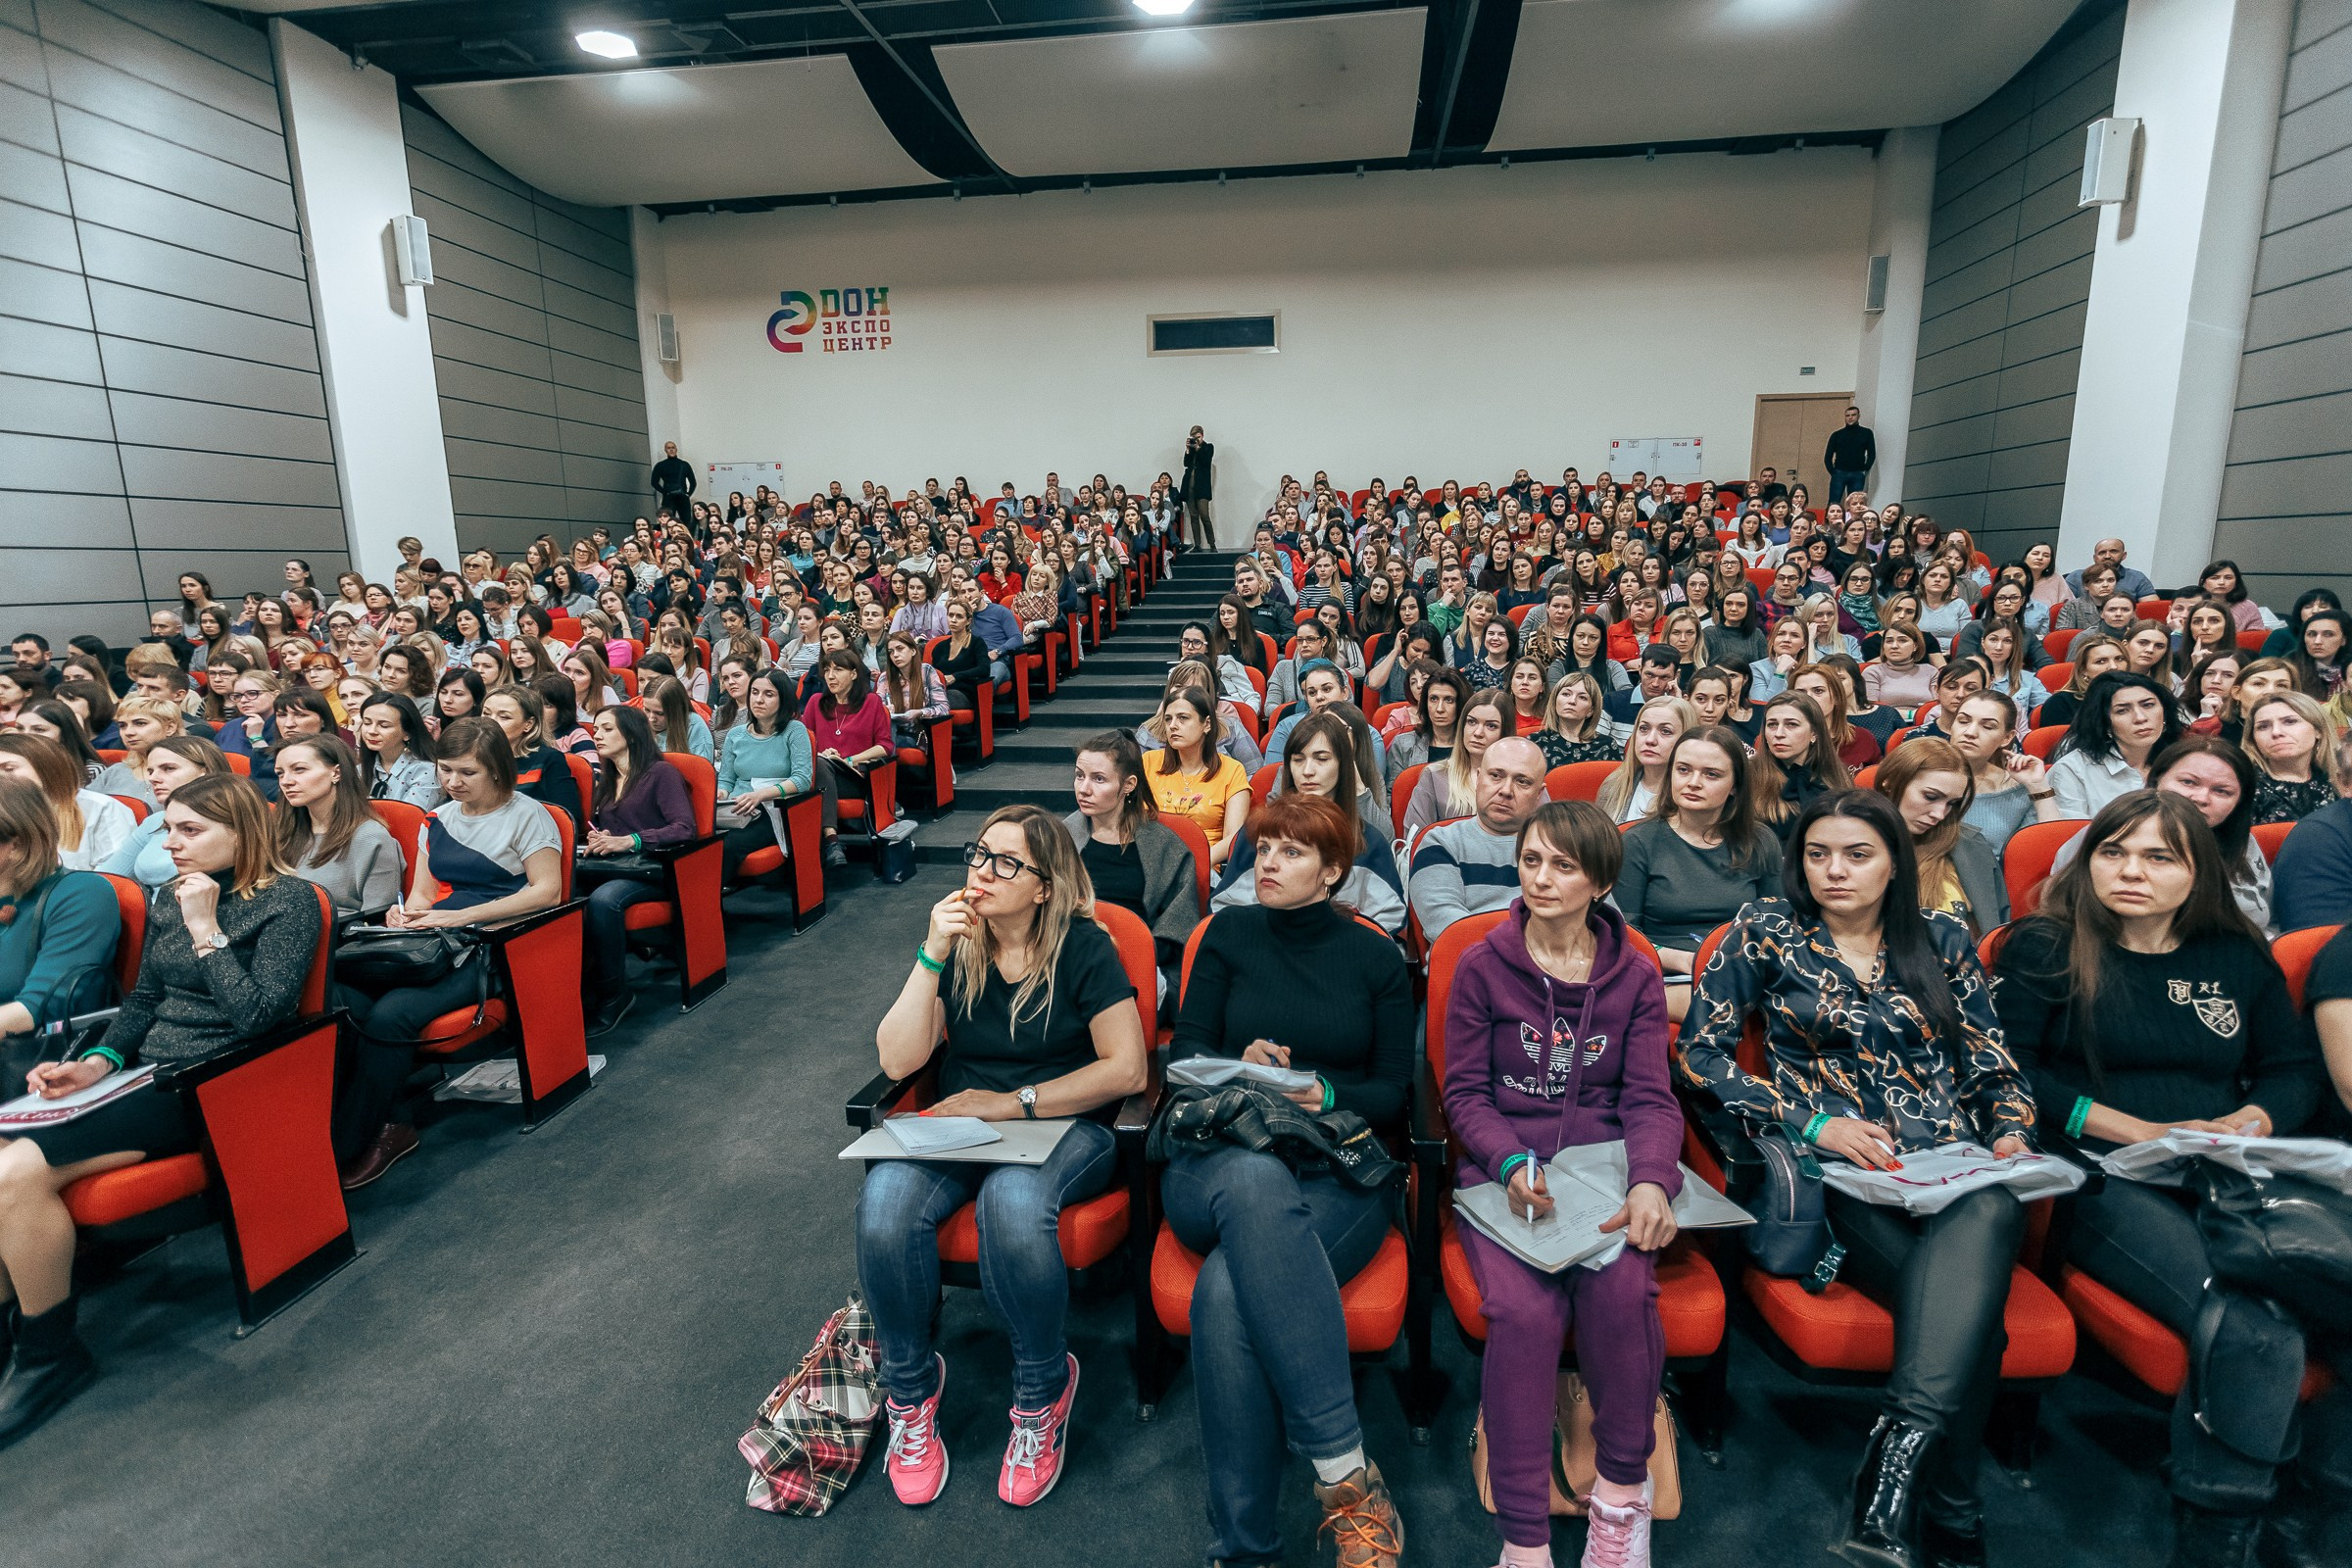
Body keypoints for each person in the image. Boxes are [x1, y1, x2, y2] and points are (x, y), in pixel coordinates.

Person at [1680, 789, 2035, 1568]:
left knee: (1989, 1211)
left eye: (1857, 854)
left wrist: (2010, 1133)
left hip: (1956, 1167)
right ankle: (1952, 1513)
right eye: (1818, 854)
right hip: (1842, 1172)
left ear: (1894, 863)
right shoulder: (1766, 930)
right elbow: (1700, 1057)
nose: (1834, 871)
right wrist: (1813, 1123)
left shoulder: (1942, 937)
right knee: (1973, 1327)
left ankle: (1888, 1482)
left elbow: (1991, 1064)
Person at [1993, 791, 2339, 1567]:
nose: (2131, 872)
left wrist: (2251, 1120)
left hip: (2228, 1168)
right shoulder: (2045, 946)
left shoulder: (2235, 953)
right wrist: (2133, 1130)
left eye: (2159, 857)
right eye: (2114, 851)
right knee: (2255, 1325)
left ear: (2198, 872)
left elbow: (2288, 1071)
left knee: (2322, 1295)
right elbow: (2012, 1074)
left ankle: (2310, 1509)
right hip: (2105, 1174)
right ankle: (2221, 1536)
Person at [0, 772, 316, 1446]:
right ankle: (14, 1331)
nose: (170, 843)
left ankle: (49, 1353)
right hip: (144, 1075)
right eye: (167, 827)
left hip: (218, 1082)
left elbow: (260, 1019)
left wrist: (207, 929)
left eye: (190, 830)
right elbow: (144, 1002)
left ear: (243, 831)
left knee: (14, 1174)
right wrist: (98, 1063)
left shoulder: (289, 902)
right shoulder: (173, 895)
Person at [862, 805, 1147, 1508]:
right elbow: (897, 1059)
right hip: (965, 1122)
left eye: (1006, 863)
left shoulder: (1086, 947)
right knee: (883, 1206)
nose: (982, 874)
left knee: (1012, 1206)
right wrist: (930, 953)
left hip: (1063, 1122)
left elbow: (1127, 1069)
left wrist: (1011, 1101)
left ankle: (1041, 1393)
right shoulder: (958, 942)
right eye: (978, 856)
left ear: (1044, 885)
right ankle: (910, 1393)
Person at [1167, 792, 1413, 1568]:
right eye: (1261, 848)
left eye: (1290, 852)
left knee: (1224, 1292)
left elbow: (1392, 1093)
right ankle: (1346, 1475)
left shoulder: (1377, 957)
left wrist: (1324, 1093)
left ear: (1334, 871)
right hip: (1218, 1160)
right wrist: (1245, 1064)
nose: (1266, 863)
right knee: (1251, 1182)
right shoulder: (1227, 935)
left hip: (1335, 1169)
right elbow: (1186, 1061)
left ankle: (1243, 1546)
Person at [1446, 798, 1681, 1566]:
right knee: (1521, 1312)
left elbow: (1649, 1097)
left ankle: (1620, 1498)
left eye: (1562, 865)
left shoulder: (1636, 973)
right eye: (1530, 860)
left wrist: (1650, 1181)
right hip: (1504, 1167)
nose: (1539, 879)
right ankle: (1524, 1538)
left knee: (1624, 1295)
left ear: (1600, 881)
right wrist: (1512, 1162)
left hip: (1604, 1168)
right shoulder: (1484, 964)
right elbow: (1465, 1095)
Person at [334, 719, 565, 1189]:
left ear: (498, 770)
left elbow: (547, 892)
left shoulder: (530, 815)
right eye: (445, 770)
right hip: (439, 939)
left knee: (390, 1015)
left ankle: (349, 1143)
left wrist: (458, 918)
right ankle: (389, 1117)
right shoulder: (438, 818)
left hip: (496, 946)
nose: (452, 782)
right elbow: (420, 896)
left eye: (466, 773)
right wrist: (406, 916)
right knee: (338, 995)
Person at [1615, 726, 1783, 1022]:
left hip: (1744, 971)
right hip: (1665, 974)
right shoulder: (1638, 843)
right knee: (1713, 1002)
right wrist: (1690, 960)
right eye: (1683, 770)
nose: (1693, 783)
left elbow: (1777, 928)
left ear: (1735, 786)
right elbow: (1624, 937)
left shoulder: (1759, 841)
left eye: (1711, 774)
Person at [1212, 710, 1404, 933]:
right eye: (1298, 760)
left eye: (1321, 759)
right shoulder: (1258, 833)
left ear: (1344, 765)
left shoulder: (1369, 839)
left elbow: (1391, 920)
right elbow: (1224, 908)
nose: (1307, 771)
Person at [578, 706, 696, 1034]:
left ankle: (614, 996)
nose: (596, 735)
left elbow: (685, 828)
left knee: (604, 900)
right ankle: (582, 989)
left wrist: (630, 841)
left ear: (630, 734)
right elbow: (609, 830)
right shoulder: (608, 777)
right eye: (596, 729)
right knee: (568, 895)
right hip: (617, 868)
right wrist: (600, 837)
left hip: (656, 870)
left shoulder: (661, 773)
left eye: (606, 729)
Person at [1064, 731, 1200, 997]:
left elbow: (1176, 929)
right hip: (1068, 958)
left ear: (1128, 784)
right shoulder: (1061, 837)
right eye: (1080, 775)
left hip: (1137, 965)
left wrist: (1123, 953)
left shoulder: (1164, 846)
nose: (1083, 788)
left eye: (1098, 779)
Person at [1410, 736, 1549, 942]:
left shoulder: (1561, 849)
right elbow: (1452, 931)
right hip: (1471, 967)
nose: (1506, 790)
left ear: (1539, 794)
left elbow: (1596, 921)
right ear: (1478, 779)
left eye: (1522, 781)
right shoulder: (1440, 843)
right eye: (1496, 776)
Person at [1873, 738, 2008, 935]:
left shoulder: (1970, 845)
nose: (1939, 814)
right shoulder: (1849, 845)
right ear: (1890, 782)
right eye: (1931, 797)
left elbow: (1997, 934)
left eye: (1952, 803)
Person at [271, 736, 403, 919]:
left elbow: (376, 918)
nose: (286, 781)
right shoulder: (280, 831)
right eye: (280, 773)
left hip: (338, 939)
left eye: (299, 770)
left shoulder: (370, 837)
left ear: (336, 773)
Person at [713, 668, 815, 888]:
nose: (758, 700)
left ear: (783, 699)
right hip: (736, 806)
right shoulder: (736, 735)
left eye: (769, 694)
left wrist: (760, 795)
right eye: (755, 692)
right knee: (698, 841)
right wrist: (721, 794)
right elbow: (726, 780)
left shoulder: (794, 730)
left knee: (727, 845)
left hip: (774, 808)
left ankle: (706, 902)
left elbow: (802, 779)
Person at [96, 736, 229, 889]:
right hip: (151, 910)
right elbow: (106, 877)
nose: (153, 778)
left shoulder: (230, 823)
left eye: (168, 769)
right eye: (151, 771)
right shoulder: (156, 820)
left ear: (205, 772)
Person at [2048, 673, 2183, 818]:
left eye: (2148, 705)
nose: (2140, 718)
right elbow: (2071, 836)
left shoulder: (2181, 761)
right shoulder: (2072, 770)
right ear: (2105, 724)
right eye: (2122, 710)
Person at [802, 650, 891, 869]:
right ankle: (831, 841)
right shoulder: (815, 702)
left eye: (838, 670)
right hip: (821, 774)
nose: (830, 676)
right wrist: (822, 755)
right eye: (827, 670)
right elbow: (804, 744)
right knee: (821, 764)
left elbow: (885, 746)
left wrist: (848, 759)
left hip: (854, 777)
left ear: (853, 674)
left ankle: (830, 842)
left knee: (822, 766)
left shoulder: (871, 702)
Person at [1145, 688, 1250, 867]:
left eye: (1183, 718)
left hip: (1203, 867)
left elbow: (1233, 838)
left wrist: (1193, 865)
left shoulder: (1232, 770)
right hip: (1151, 864)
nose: (1173, 726)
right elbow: (1134, 823)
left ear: (1207, 724)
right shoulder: (1148, 762)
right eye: (1168, 719)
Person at [0, 735, 132, 875]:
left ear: (46, 769)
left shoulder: (101, 808)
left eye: (9, 769)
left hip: (79, 893)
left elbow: (114, 876)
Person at [1403, 687, 1509, 842]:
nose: (1478, 732)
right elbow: (1415, 841)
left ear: (1505, 733)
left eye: (1491, 726)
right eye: (1472, 722)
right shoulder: (1433, 776)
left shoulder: (1523, 781)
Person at [481, 683, 585, 833]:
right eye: (486, 713)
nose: (490, 722)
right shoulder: (472, 757)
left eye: (504, 717)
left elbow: (569, 819)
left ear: (528, 725)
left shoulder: (549, 760)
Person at [1595, 695, 1695, 826]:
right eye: (1644, 728)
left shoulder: (1692, 796)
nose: (1650, 740)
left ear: (1685, 739)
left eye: (1665, 731)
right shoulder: (1613, 785)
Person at [2242, 691, 2339, 825]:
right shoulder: (2244, 787)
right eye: (2263, 726)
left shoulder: (2337, 782)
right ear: (2253, 739)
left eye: (2290, 722)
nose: (2276, 732)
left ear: (2318, 730)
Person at [90, 695, 185, 807]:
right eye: (122, 726)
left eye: (140, 723)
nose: (128, 732)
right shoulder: (115, 772)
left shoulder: (188, 772)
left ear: (170, 728)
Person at [356, 694, 445, 809]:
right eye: (367, 723)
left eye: (384, 725)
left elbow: (410, 820)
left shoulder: (425, 771)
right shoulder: (360, 769)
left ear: (407, 733)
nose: (372, 731)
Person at [1824, 405, 1876, 507]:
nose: (1850, 417)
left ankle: (1854, 523)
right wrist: (1833, 472)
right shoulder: (1837, 435)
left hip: (1857, 473)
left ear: (1858, 416)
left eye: (1853, 415)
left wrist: (1865, 469)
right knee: (1833, 502)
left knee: (1856, 504)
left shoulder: (1866, 433)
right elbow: (1827, 457)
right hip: (1839, 473)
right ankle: (1829, 522)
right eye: (1847, 415)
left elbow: (1872, 454)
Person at [1180, 425, 1215, 552]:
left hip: (1202, 488)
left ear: (1202, 435)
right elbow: (1186, 464)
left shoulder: (1208, 447)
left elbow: (1206, 462)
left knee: (1205, 516)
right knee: (1194, 517)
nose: (1196, 440)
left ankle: (1212, 544)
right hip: (1189, 486)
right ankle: (1197, 544)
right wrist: (1188, 450)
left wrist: (1198, 448)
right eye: (1194, 438)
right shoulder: (1192, 449)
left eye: (1198, 437)